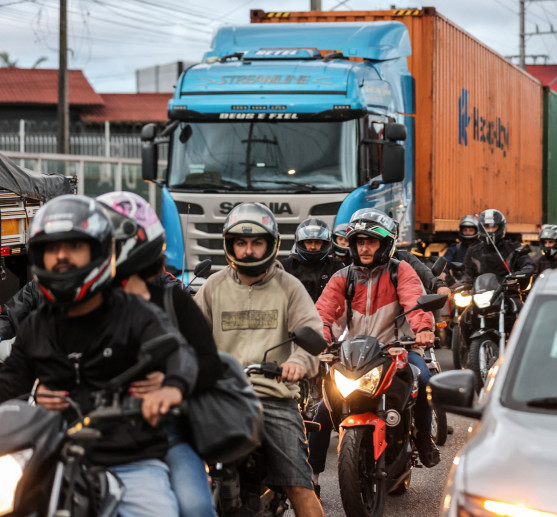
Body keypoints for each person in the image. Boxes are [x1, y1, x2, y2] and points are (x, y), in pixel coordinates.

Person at [0, 194, 198, 517]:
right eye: (52, 248)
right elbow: (8, 384)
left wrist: (170, 387)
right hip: (51, 456)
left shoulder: (136, 313)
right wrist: (33, 394)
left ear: (100, 251)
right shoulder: (37, 327)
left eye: (74, 246)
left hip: (131, 461)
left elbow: (180, 354)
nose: (61, 256)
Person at [194, 202, 324, 517]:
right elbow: (190, 334)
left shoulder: (288, 287)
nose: (248, 250)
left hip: (273, 398)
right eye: (241, 242)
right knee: (189, 471)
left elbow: (312, 337)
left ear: (271, 244)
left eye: (256, 243)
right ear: (230, 245)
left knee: (298, 485)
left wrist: (298, 363)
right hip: (223, 398)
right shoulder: (213, 286)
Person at [97, 191, 221, 517]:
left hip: (168, 431)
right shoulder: (79, 306)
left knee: (195, 508)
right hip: (92, 431)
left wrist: (170, 384)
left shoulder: (172, 302)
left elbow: (209, 363)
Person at [310, 208, 439, 494]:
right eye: (359, 242)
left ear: (385, 244)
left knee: (426, 382)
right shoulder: (343, 277)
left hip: (398, 351)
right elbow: (323, 313)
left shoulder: (400, 271)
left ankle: (423, 441)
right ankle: (313, 478)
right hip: (353, 355)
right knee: (321, 410)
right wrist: (320, 339)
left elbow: (414, 302)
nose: (365, 247)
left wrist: (423, 330)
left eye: (371, 241)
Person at [280, 217, 345, 302]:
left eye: (317, 242)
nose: (313, 247)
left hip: (327, 313)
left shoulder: (336, 267)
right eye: (309, 242)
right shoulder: (285, 267)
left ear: (324, 243)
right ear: (301, 243)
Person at [462, 208, 534, 283]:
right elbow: (467, 275)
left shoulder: (514, 247)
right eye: (487, 227)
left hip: (509, 291)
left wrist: (527, 268)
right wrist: (462, 284)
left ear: (500, 227)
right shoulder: (473, 252)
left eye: (493, 227)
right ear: (481, 228)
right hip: (481, 292)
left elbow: (527, 262)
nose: (490, 231)